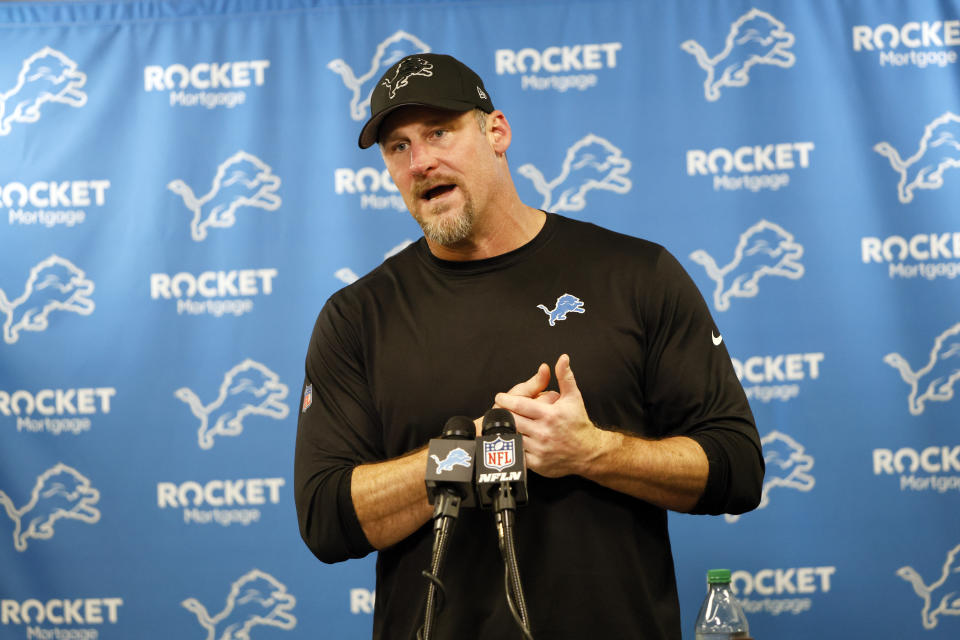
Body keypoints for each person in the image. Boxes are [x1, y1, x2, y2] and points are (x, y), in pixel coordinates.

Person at [295, 53, 764, 639]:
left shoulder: (636, 274)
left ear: (496, 131)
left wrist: (593, 452)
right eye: (398, 146)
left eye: (440, 132)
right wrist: (472, 450)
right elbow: (325, 519)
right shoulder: (357, 318)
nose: (421, 162)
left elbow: (738, 469)